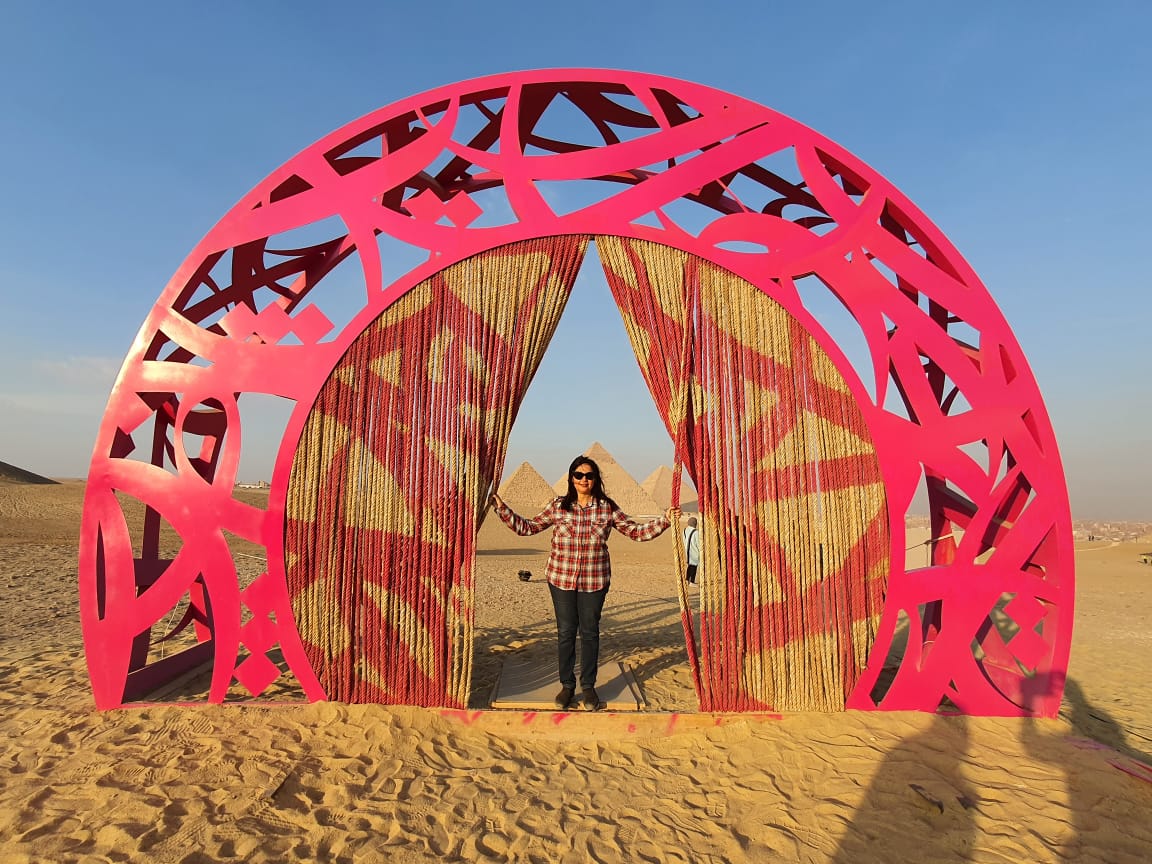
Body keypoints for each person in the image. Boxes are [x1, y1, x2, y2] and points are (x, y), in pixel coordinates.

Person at [490, 455, 680, 711]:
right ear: (571, 478)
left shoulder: (606, 508)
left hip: (594, 579)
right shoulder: (558, 506)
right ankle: (567, 686)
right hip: (561, 579)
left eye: (589, 475)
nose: (584, 479)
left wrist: (665, 519)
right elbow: (528, 527)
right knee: (566, 633)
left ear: (596, 479)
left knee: (590, 633)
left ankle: (588, 686)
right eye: (578, 475)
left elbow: (636, 532)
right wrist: (502, 508)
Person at [683, 516, 701, 584]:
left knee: (690, 565)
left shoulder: (684, 530)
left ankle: (687, 579)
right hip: (694, 551)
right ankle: (692, 581)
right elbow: (699, 544)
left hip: (687, 551)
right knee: (694, 566)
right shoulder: (696, 532)